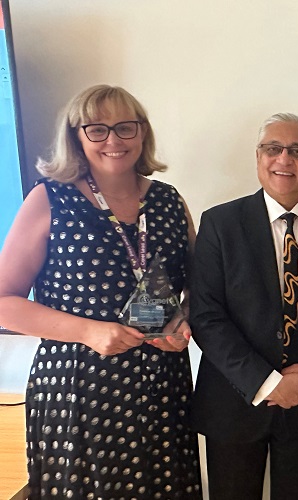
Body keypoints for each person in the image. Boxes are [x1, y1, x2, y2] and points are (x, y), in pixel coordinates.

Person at [0, 84, 201, 499]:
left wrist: (183, 321)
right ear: (76, 137)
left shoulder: (169, 201)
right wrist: (88, 331)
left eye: (125, 128)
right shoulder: (49, 199)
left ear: (142, 133)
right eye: (97, 129)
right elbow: (4, 303)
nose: (113, 140)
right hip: (79, 391)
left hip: (162, 387)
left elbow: (201, 287)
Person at [190, 113, 298, 500]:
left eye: (297, 151)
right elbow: (206, 316)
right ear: (258, 157)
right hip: (233, 404)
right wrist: (268, 384)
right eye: (273, 149)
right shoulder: (219, 223)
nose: (284, 159)